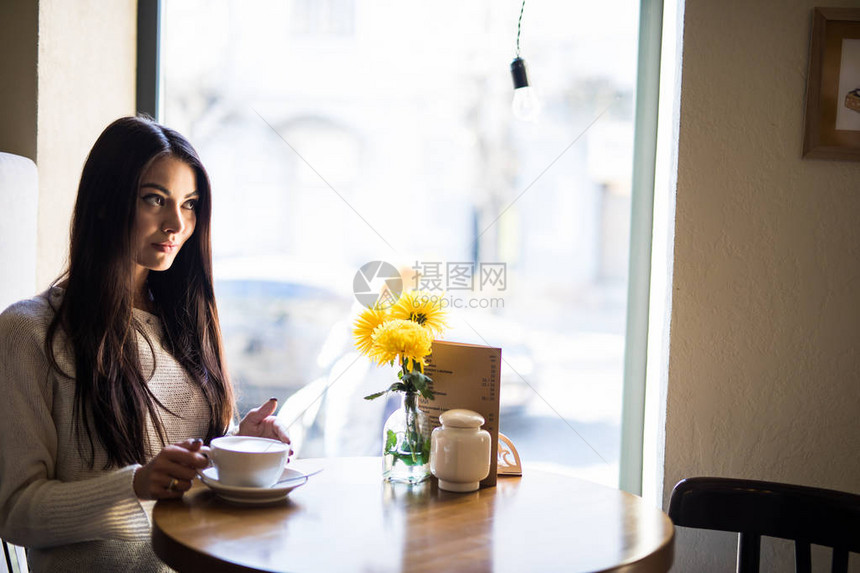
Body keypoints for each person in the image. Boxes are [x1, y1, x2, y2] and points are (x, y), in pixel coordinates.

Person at [0, 116, 290, 572]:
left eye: (190, 204)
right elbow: (15, 512)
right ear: (104, 203)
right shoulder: (29, 332)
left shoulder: (186, 324)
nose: (177, 222)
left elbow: (187, 476)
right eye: (155, 199)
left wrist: (236, 449)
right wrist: (135, 485)